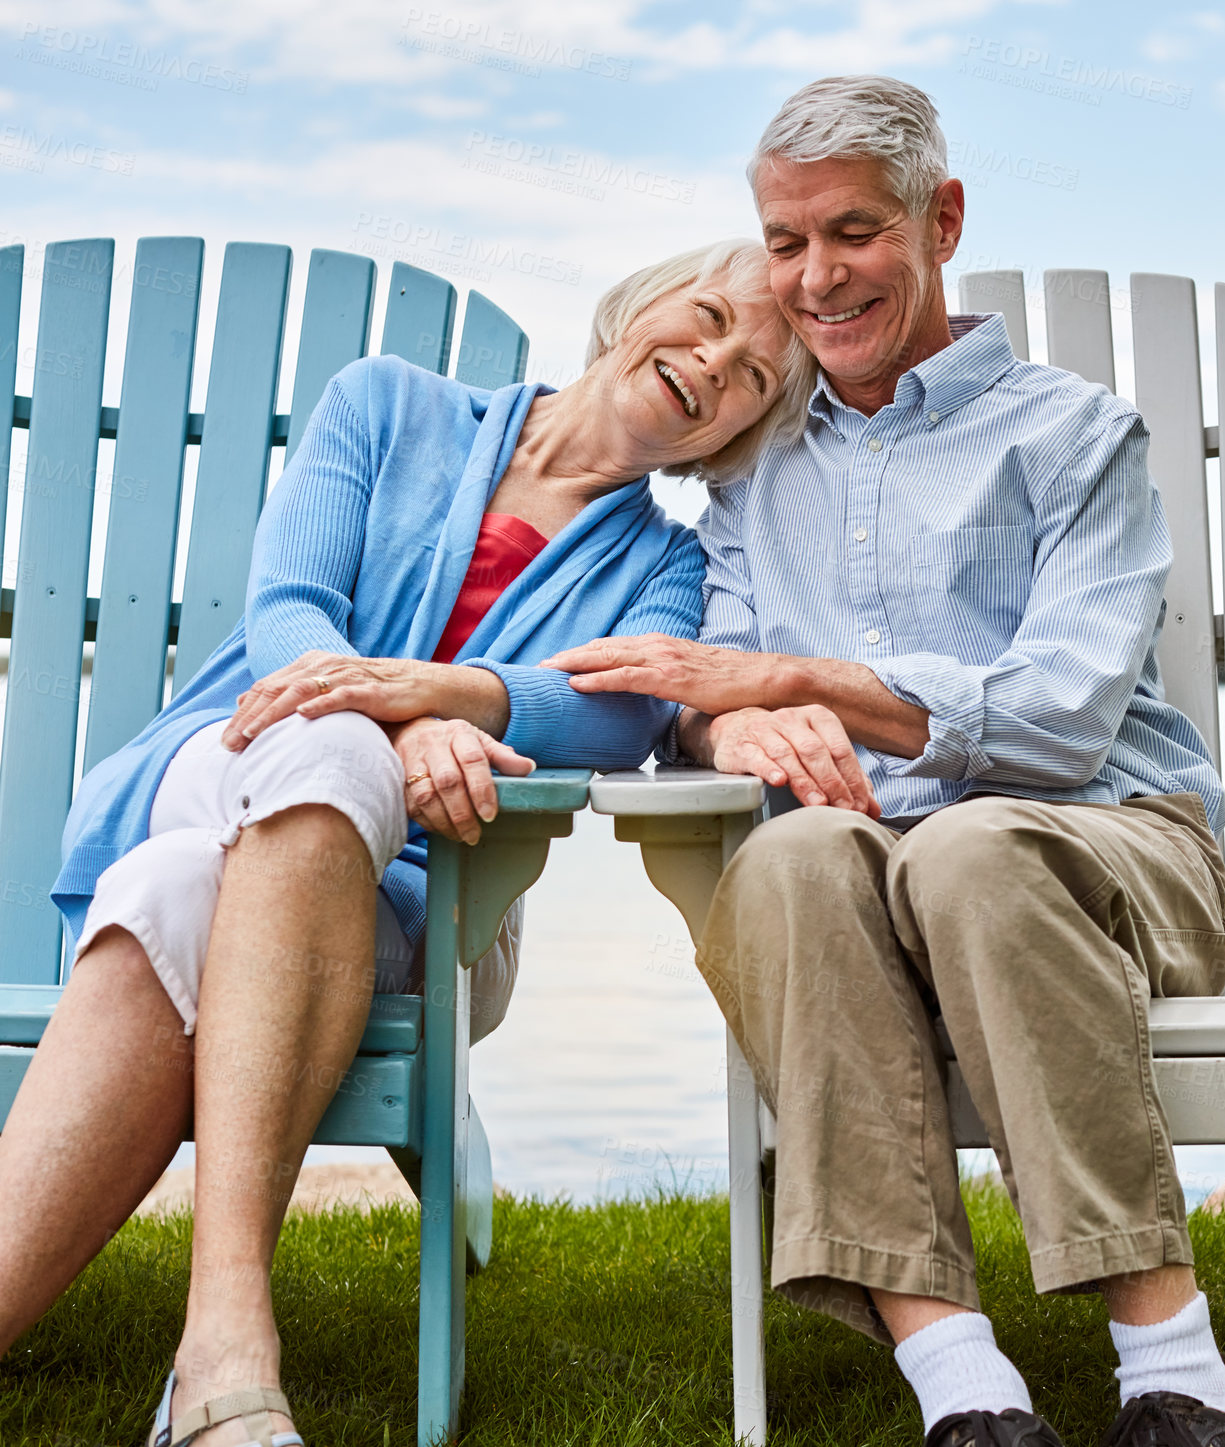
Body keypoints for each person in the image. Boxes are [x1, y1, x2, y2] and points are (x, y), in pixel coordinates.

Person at [545, 77, 1225, 1447]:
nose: (816, 276)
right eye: (783, 240)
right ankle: (963, 1386)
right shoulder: (756, 474)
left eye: (853, 231)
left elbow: (1055, 717)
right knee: (795, 852)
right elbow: (718, 668)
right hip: (875, 878)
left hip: (1107, 854)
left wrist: (802, 679)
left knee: (971, 841)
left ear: (939, 220)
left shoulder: (1072, 435)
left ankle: (1173, 1364)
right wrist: (725, 721)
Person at [0, 239, 812, 1447]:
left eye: (749, 377)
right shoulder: (385, 403)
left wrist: (447, 699)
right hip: (225, 767)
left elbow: (622, 709)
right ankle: (224, 1350)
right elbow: (288, 613)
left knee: (173, 894)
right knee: (321, 765)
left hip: (424, 911)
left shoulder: (667, 562)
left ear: (736, 436)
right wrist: (394, 729)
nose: (710, 363)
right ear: (639, 300)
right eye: (703, 318)